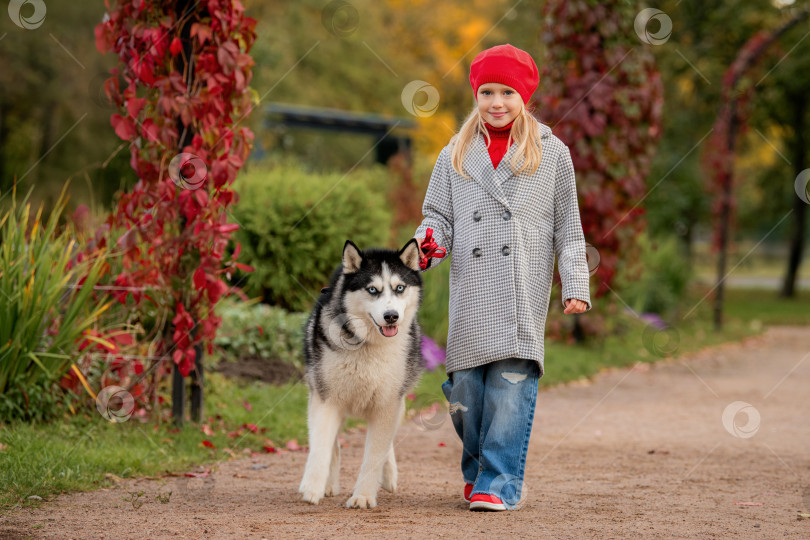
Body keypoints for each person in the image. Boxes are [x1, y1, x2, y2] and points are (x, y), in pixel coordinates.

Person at [413, 44, 592, 511]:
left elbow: (569, 227)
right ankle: (477, 470)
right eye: (487, 91)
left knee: (510, 389)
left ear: (525, 96)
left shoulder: (552, 153)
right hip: (472, 290)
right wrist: (428, 244)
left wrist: (575, 284)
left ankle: (500, 481)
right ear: (475, 94)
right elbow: (437, 216)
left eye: (507, 92)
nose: (496, 102)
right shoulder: (455, 153)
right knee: (467, 392)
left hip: (520, 292)